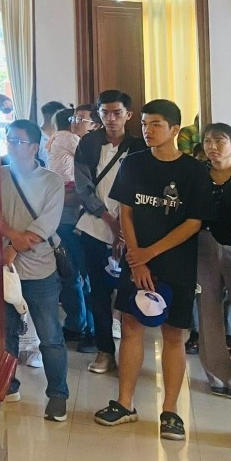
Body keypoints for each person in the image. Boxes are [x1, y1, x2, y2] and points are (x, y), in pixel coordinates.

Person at [95, 99, 213, 440]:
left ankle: (171, 412)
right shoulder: (134, 163)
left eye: (156, 124)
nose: (148, 130)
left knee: (174, 334)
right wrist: (138, 258)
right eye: (145, 124)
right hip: (136, 260)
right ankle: (125, 404)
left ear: (175, 129)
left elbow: (193, 223)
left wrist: (150, 253)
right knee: (131, 326)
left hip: (176, 262)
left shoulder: (194, 171)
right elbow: (126, 211)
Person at [74, 89, 148, 375]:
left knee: (128, 291)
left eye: (117, 113)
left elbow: (143, 190)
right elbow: (83, 186)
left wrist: (124, 228)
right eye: (105, 113)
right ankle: (105, 351)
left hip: (133, 231)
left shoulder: (140, 147)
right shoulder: (88, 143)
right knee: (99, 291)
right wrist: (109, 219)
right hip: (96, 227)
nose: (111, 118)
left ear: (129, 115)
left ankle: (131, 353)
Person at [1, 119, 69, 421]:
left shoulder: (51, 181)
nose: (11, 145)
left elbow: (47, 224)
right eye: (8, 139)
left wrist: (14, 246)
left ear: (33, 147)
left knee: (50, 336)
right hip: (5, 270)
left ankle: (57, 395)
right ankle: (8, 385)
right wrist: (10, 237)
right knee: (5, 334)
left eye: (17, 141)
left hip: (40, 269)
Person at [47, 106, 94, 352]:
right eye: (74, 118)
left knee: (89, 276)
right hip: (65, 217)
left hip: (89, 220)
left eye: (82, 119)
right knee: (69, 273)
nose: (75, 122)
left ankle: (93, 331)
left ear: (95, 125)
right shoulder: (70, 139)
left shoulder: (90, 148)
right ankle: (76, 324)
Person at [197, 122, 231, 397]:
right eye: (208, 141)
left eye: (219, 141)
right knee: (208, 307)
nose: (212, 146)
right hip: (203, 243)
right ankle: (216, 374)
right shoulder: (197, 175)